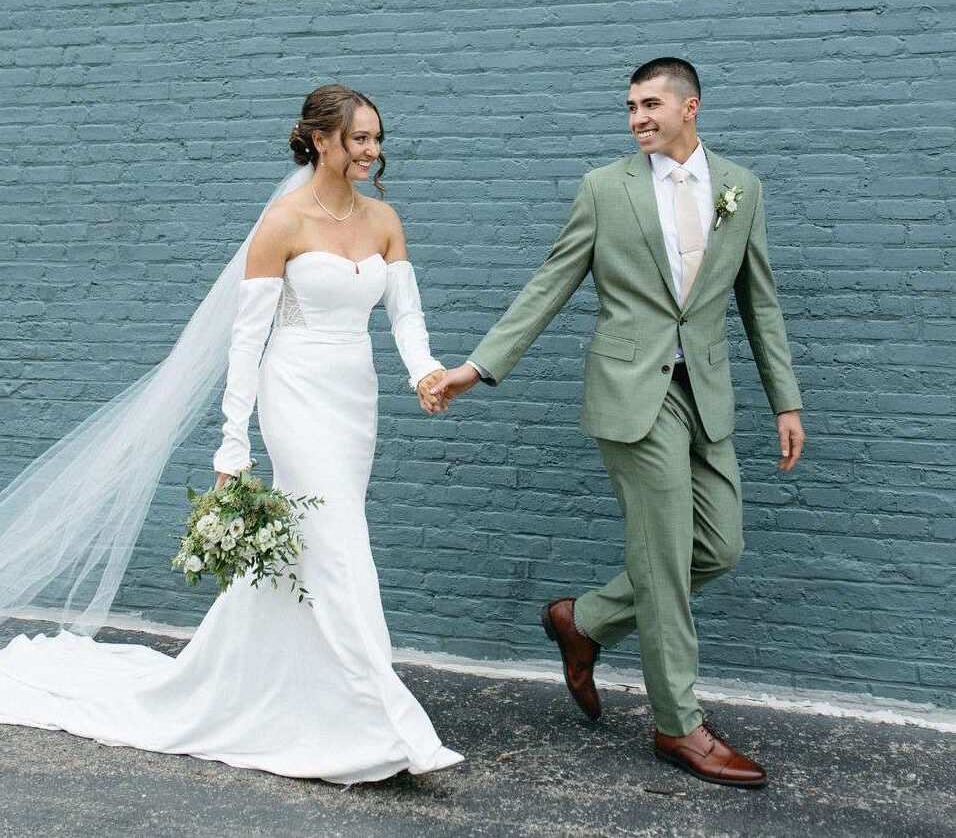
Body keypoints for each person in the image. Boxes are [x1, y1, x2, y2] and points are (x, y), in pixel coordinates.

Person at [0, 84, 463, 784]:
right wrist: (233, 443)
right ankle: (384, 719)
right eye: (359, 138)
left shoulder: (385, 220)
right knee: (338, 541)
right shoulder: (281, 225)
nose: (373, 150)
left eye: (376, 138)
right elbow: (246, 344)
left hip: (354, 396)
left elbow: (405, 318)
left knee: (316, 542)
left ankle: (259, 684)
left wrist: (424, 372)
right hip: (296, 390)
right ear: (320, 140)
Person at [434, 58, 805, 788]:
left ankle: (587, 619)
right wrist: (478, 366)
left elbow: (759, 302)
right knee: (664, 560)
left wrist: (784, 400)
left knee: (720, 546)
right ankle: (680, 726)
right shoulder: (606, 189)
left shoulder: (741, 188)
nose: (636, 118)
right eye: (629, 107)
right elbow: (552, 281)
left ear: (690, 107)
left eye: (650, 104)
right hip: (634, 395)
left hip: (706, 394)